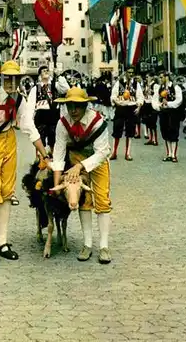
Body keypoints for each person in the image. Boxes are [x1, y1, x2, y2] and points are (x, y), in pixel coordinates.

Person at [0, 61, 49, 269]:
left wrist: (44, 153)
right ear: (0, 78)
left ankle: (3, 242)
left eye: (14, 78)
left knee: (7, 193)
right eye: (7, 78)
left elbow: (28, 126)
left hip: (10, 144)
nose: (10, 82)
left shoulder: (20, 99)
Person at [51, 87, 112, 264]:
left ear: (86, 105)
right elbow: (59, 152)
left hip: (97, 160)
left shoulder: (98, 122)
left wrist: (80, 166)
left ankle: (104, 246)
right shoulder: (63, 124)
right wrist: (56, 184)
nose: (74, 111)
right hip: (76, 157)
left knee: (102, 199)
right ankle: (87, 244)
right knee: (83, 200)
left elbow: (103, 152)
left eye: (78, 106)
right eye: (70, 106)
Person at [25, 65, 69, 158]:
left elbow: (66, 89)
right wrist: (30, 120)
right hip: (41, 116)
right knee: (40, 137)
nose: (45, 71)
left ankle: (54, 159)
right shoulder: (35, 88)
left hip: (53, 115)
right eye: (43, 70)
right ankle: (41, 160)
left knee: (54, 140)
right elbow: (30, 106)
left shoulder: (55, 85)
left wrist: (60, 75)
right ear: (39, 75)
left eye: (47, 70)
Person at [110, 67, 144, 161]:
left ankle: (128, 153)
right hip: (121, 108)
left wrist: (139, 107)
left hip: (131, 108)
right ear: (125, 73)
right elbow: (113, 95)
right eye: (129, 72)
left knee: (130, 131)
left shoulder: (136, 84)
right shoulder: (119, 82)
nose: (131, 74)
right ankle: (114, 152)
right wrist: (116, 103)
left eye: (132, 72)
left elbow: (140, 97)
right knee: (117, 130)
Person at [152, 71, 183, 162]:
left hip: (173, 113)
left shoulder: (175, 87)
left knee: (173, 132)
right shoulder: (159, 88)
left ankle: (174, 154)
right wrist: (158, 106)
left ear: (167, 77)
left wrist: (168, 104)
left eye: (162, 77)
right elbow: (155, 99)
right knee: (165, 132)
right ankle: (169, 153)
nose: (160, 79)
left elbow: (179, 100)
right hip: (163, 112)